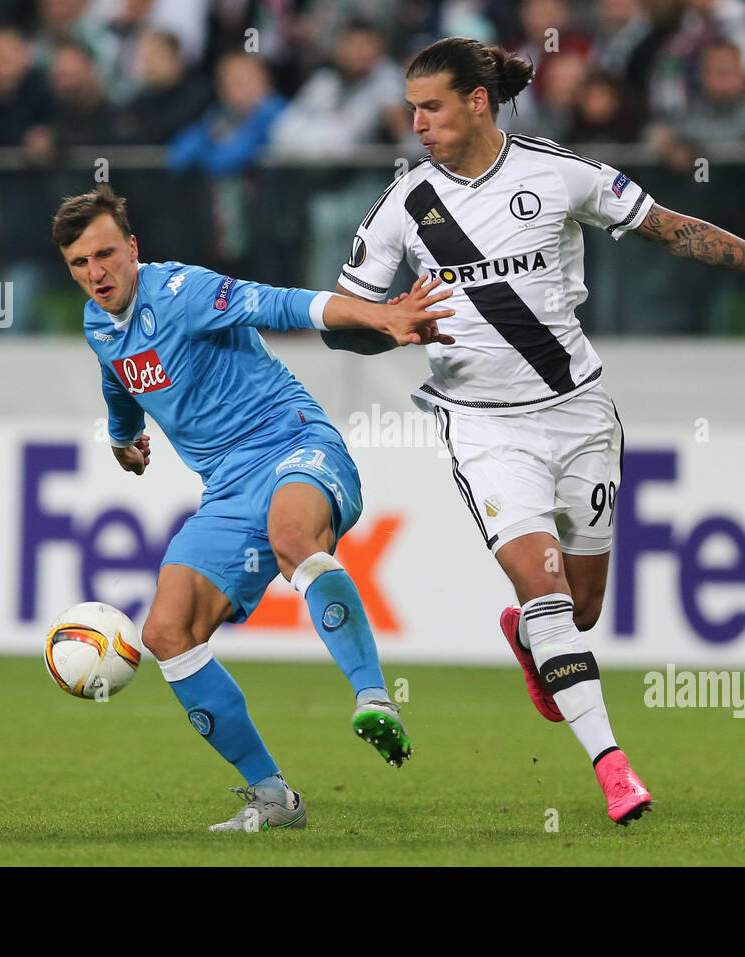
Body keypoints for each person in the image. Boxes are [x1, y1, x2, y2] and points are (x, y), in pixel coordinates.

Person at [328, 37, 745, 826]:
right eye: (411, 109)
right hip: (483, 429)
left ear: (478, 101)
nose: (417, 123)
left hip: (579, 414)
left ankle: (531, 636)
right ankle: (614, 768)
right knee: (541, 583)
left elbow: (674, 228)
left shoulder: (557, 172)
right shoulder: (406, 206)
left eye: (431, 106)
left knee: (581, 608)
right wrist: (389, 326)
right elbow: (346, 320)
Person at [51, 185, 454, 831]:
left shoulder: (181, 291)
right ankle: (273, 798)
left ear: (132, 247)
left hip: (296, 444)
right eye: (78, 263)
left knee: (293, 534)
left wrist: (378, 317)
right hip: (228, 492)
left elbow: (282, 303)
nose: (95, 273)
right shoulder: (98, 324)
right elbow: (118, 377)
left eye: (105, 254)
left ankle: (375, 696)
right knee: (165, 631)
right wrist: (125, 437)